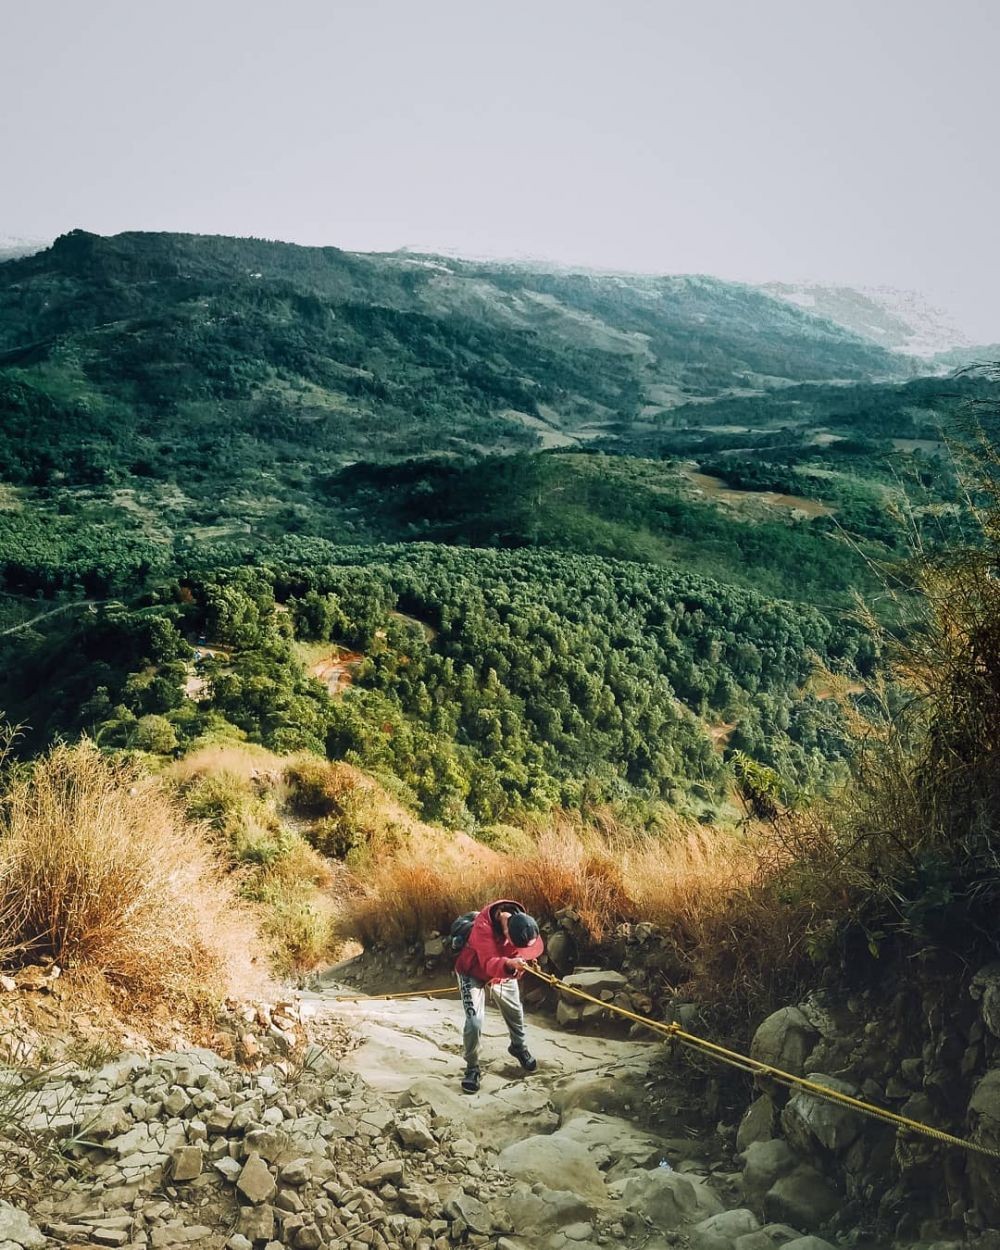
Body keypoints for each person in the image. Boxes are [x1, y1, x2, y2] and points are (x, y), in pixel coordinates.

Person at [454, 898, 544, 1093]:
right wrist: (511, 964)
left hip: (504, 972)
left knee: (515, 1011)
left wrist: (524, 962)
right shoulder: (483, 927)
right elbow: (489, 962)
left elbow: (525, 950)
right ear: (507, 934)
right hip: (472, 971)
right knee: (475, 1021)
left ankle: (518, 1047)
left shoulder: (523, 924)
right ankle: (472, 1067)